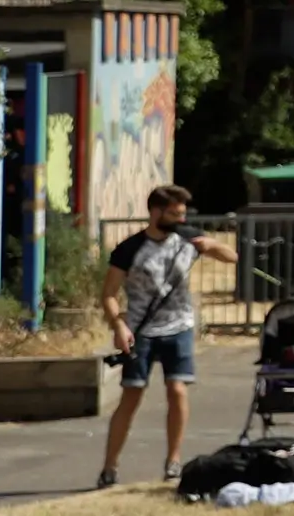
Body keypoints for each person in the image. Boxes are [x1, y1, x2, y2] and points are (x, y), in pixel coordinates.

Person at [96, 184, 238, 489]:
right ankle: (110, 466)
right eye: (174, 213)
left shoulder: (188, 238)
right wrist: (118, 325)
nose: (180, 219)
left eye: (183, 214)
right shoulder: (130, 249)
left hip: (179, 326)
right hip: (140, 331)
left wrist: (212, 245)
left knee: (178, 390)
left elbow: (232, 257)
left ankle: (173, 461)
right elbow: (108, 294)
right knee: (132, 395)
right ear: (156, 212)